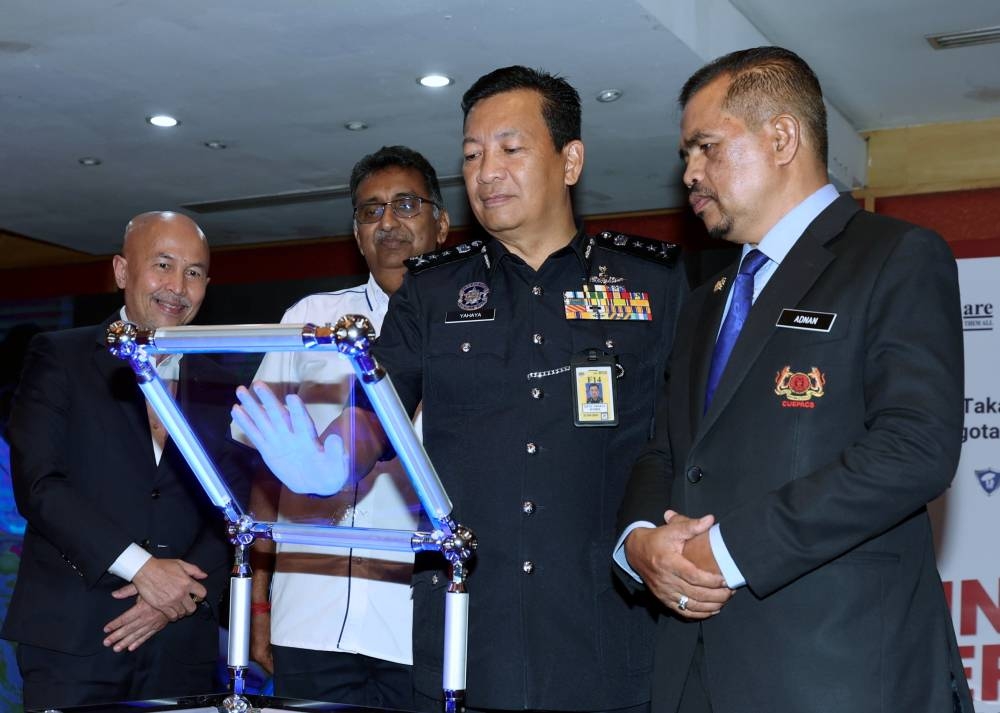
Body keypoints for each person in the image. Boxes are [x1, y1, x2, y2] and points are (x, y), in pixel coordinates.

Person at [233, 66, 688, 713]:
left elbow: (687, 438)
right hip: (465, 638)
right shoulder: (433, 290)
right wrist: (332, 456)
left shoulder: (649, 285)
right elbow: (375, 405)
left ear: (570, 160)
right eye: (472, 155)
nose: (486, 170)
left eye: (510, 148)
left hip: (604, 633)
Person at [615, 46, 972, 713]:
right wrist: (639, 541)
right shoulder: (706, 296)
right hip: (691, 677)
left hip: (839, 673)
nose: (689, 173)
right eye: (685, 156)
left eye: (705, 147)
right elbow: (666, 452)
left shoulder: (894, 257)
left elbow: (914, 450)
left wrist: (729, 548)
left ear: (781, 137)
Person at [2, 211, 251, 709]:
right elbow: (39, 485)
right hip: (74, 636)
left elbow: (237, 505)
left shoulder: (223, 380)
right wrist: (143, 570)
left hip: (183, 640)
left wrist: (175, 597)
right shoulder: (59, 355)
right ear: (121, 271)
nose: (178, 286)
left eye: (195, 272)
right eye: (163, 264)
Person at [239, 145, 448, 707]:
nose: (387, 222)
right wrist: (258, 604)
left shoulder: (472, 330)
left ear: (441, 223)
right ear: (356, 234)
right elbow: (265, 473)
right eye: (369, 210)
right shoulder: (309, 320)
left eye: (406, 204)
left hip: (416, 622)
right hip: (307, 615)